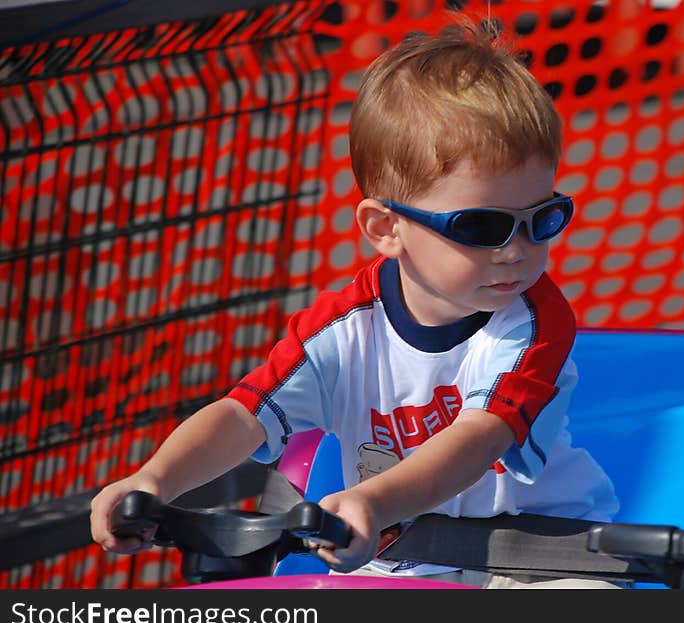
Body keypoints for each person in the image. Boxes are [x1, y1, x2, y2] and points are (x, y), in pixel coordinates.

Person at [90, 19, 619, 588]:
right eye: (482, 225)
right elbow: (243, 415)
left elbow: (478, 438)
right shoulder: (342, 328)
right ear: (386, 228)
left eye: (543, 219)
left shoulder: (532, 323)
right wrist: (154, 480)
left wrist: (372, 501)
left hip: (535, 558)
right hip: (401, 567)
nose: (517, 250)